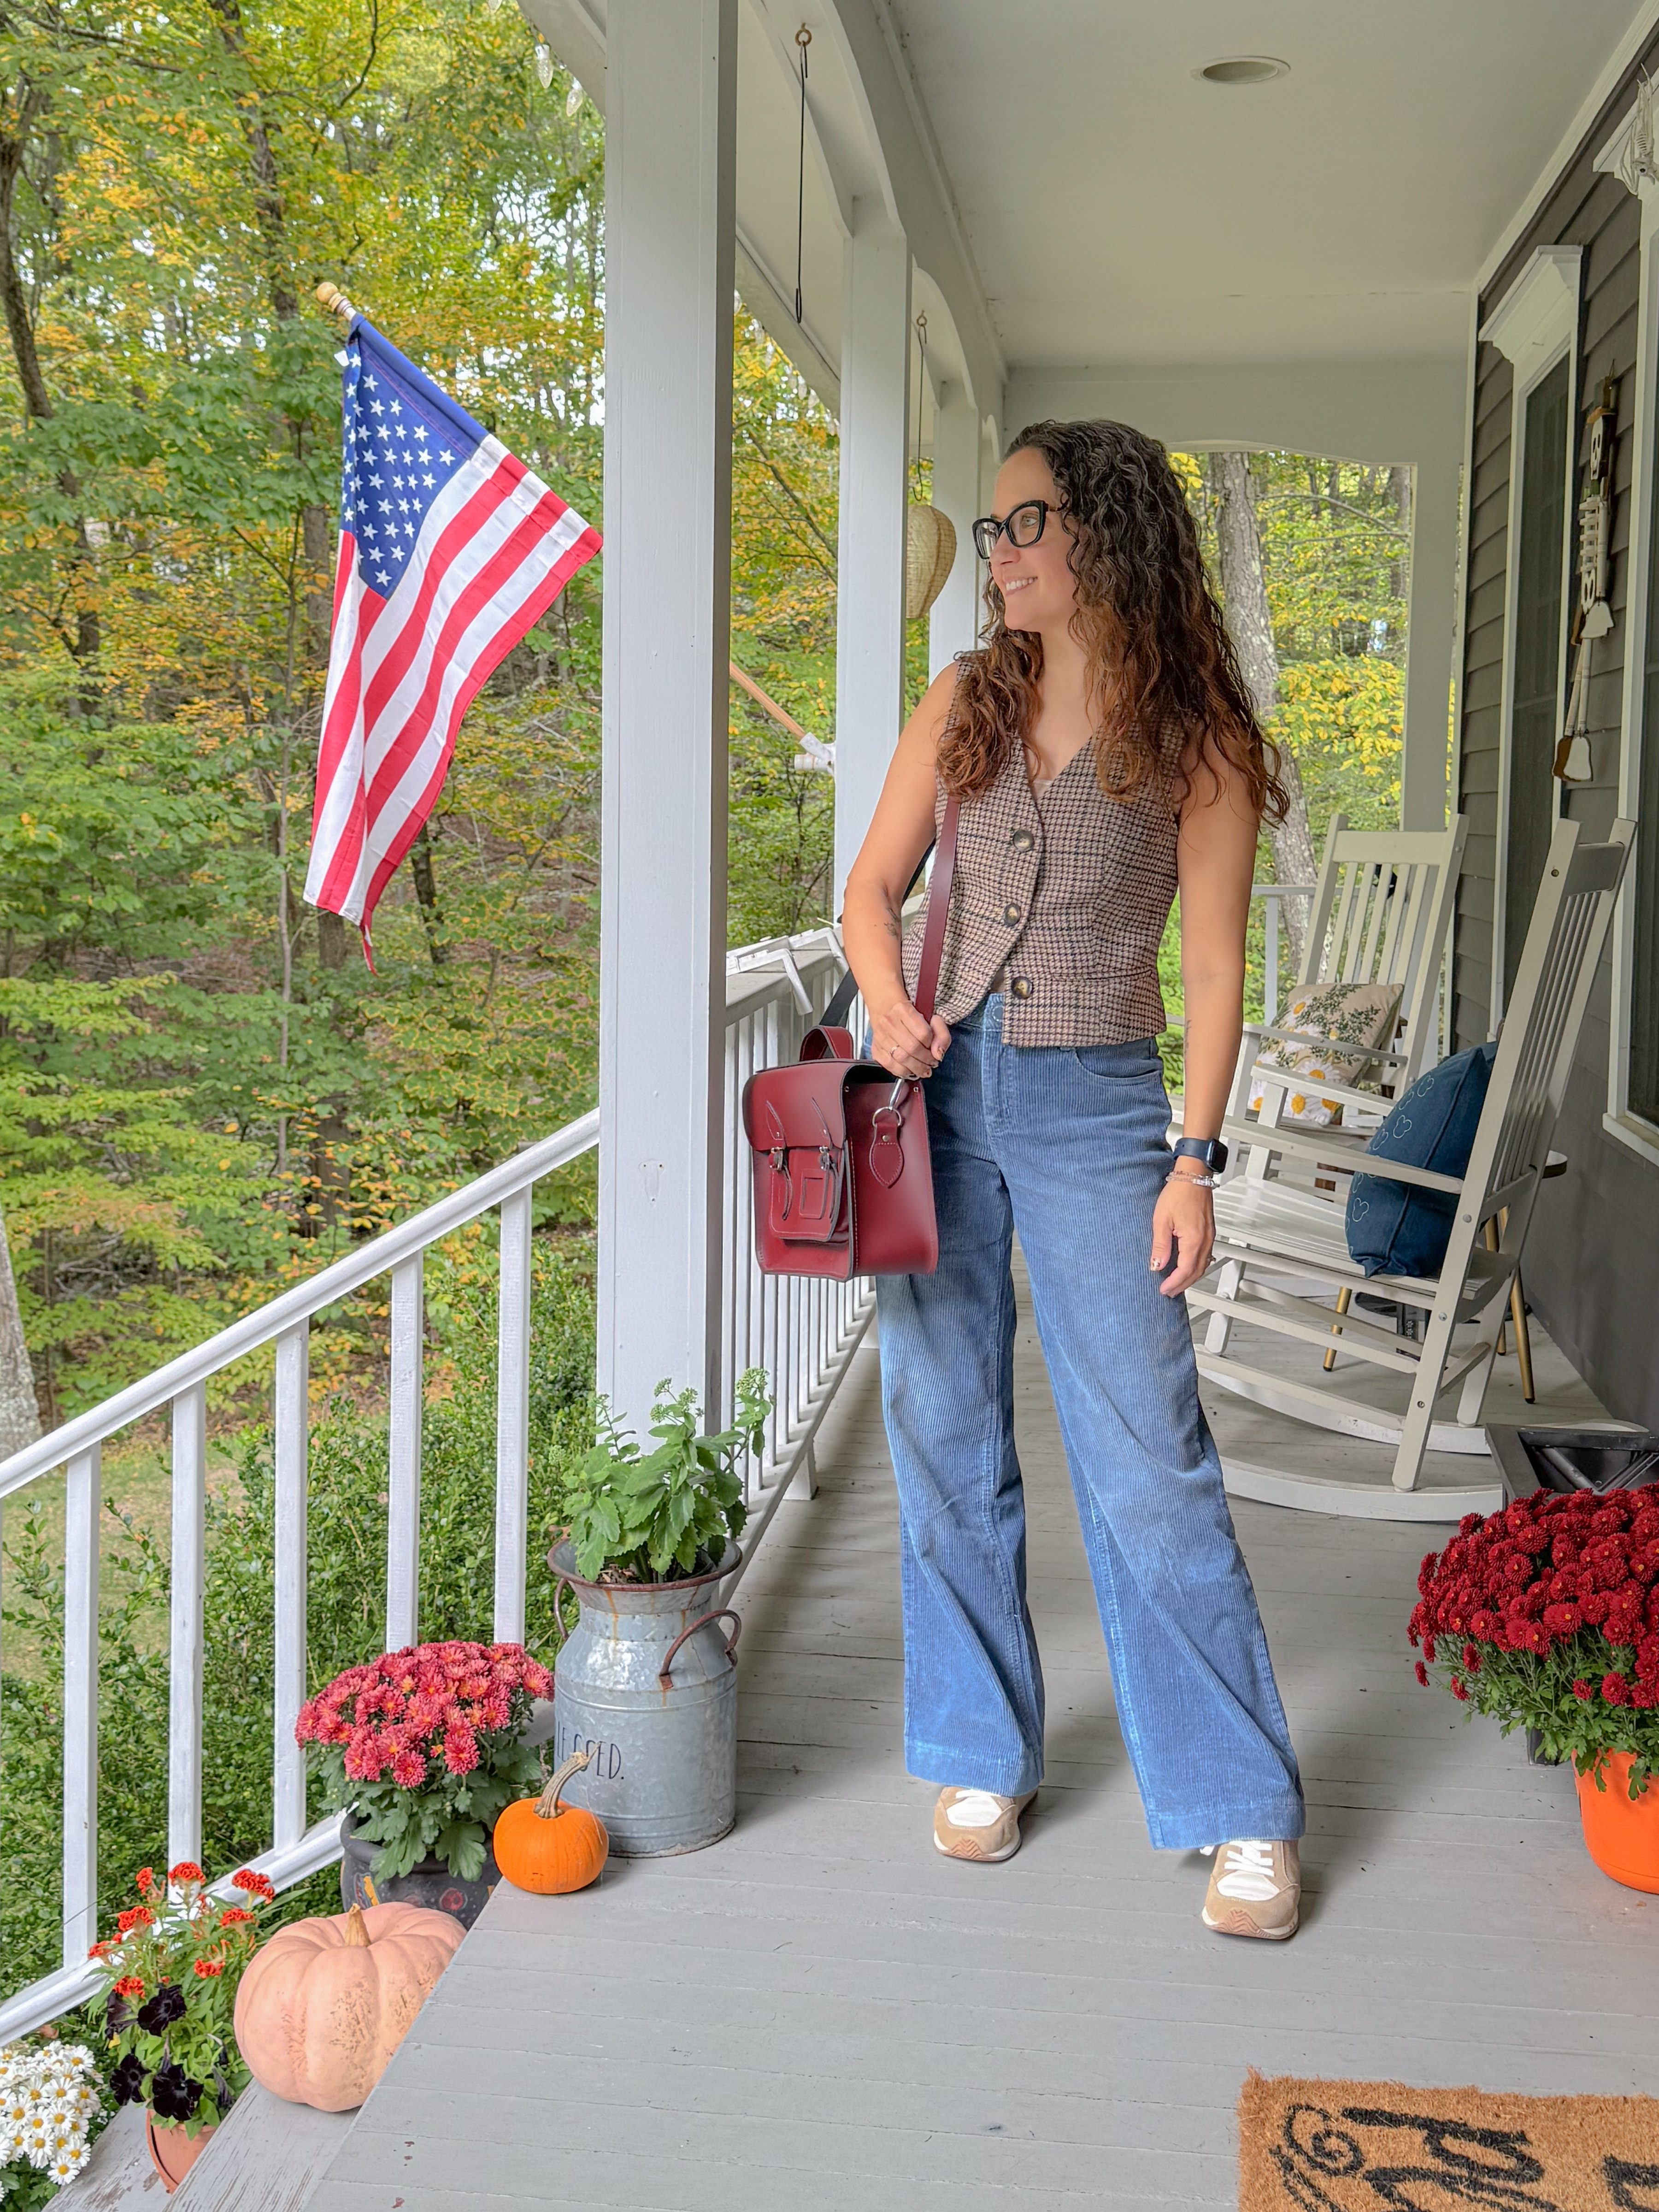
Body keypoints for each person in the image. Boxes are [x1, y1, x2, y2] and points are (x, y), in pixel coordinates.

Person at [841, 419, 1305, 1940]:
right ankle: (982, 1749)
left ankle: (1237, 1801)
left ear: (1108, 530)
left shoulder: (1200, 735)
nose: (1002, 552)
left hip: (1104, 1107)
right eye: (991, 531)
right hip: (935, 1100)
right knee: (941, 1424)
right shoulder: (968, 697)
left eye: (1026, 521)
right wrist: (884, 994)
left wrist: (1196, 1159)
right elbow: (871, 890)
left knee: (1148, 1454)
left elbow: (1221, 972)